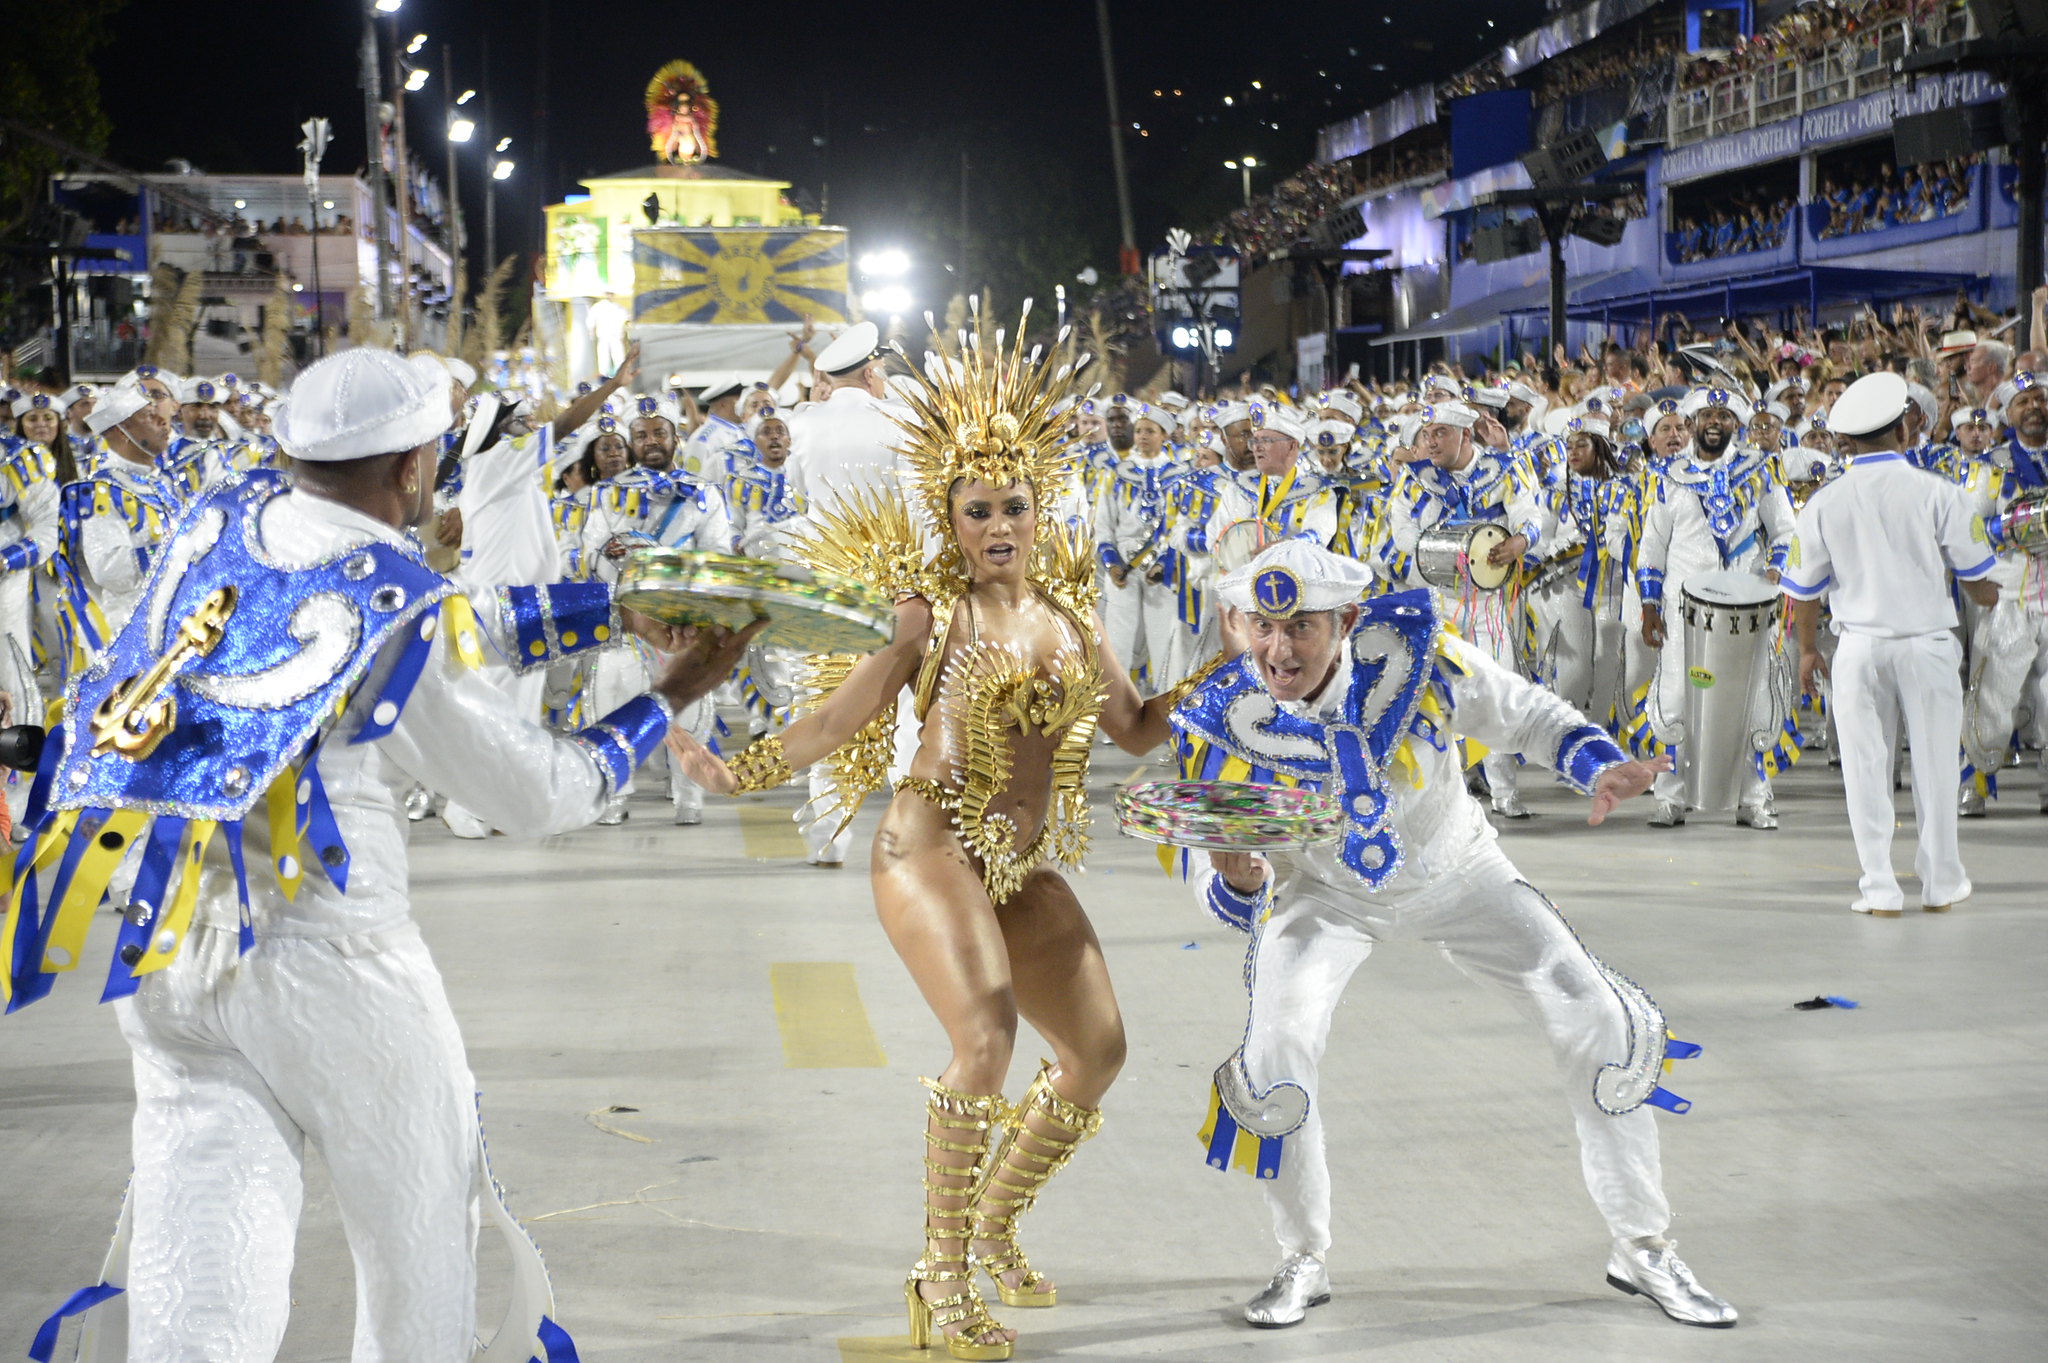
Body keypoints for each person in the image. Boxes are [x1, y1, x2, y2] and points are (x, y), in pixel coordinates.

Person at [9, 346, 755, 1359]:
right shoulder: (393, 591)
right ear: (416, 466)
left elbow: (444, 616)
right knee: (417, 1258)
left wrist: (607, 612)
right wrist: (664, 700)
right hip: (336, 969)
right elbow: (535, 789)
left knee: (199, 1282)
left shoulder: (217, 520)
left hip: (169, 962)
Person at [669, 323, 1188, 1360]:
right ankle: (938, 1277)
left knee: (1095, 1051)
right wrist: (744, 772)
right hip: (926, 845)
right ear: (947, 520)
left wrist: (1237, 672)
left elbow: (1134, 729)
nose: (997, 525)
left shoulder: (1076, 621)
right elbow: (844, 716)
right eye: (976, 509)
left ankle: (992, 1221)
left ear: (1040, 511)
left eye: (1013, 507)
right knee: (985, 1038)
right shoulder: (930, 616)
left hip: (1018, 864)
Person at [1164, 537, 1735, 1332]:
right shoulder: (1222, 717)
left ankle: (1642, 1244)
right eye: (1261, 624)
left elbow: (1523, 711)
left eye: (1301, 626)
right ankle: (1302, 1255)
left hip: (1461, 871)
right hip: (1325, 896)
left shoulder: (1417, 656)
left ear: (1348, 620)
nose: (1278, 647)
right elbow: (1210, 869)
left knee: (1599, 1015)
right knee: (1275, 1052)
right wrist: (1238, 879)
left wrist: (1595, 764)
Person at [1781, 373, 1999, 916]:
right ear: (1905, 428)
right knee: (1934, 767)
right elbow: (1980, 588)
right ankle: (1941, 884)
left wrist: (1808, 650)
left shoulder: (1823, 503)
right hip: (1925, 646)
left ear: (1848, 442)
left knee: (1864, 769)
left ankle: (1879, 888)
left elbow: (1804, 592)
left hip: (1856, 649)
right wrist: (2005, 575)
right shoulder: (1940, 493)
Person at [780, 321, 916, 866]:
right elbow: (918, 506)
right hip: (890, 581)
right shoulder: (900, 421)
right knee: (906, 700)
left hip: (827, 580)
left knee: (827, 700)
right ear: (870, 371)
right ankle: (912, 831)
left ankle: (828, 837)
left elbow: (794, 490)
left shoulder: (804, 423)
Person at [1635, 386, 1796, 828]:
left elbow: (1785, 532)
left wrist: (1773, 575)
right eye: (1706, 415)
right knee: (1677, 699)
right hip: (1682, 610)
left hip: (1749, 610)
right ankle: (1670, 796)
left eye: (1724, 416)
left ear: (1735, 424)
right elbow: (1652, 546)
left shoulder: (1760, 469)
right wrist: (1649, 606)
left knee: (1752, 699)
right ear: (1691, 423)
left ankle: (1754, 797)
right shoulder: (1668, 476)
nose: (1714, 422)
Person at [1383, 400, 1546, 817]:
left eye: (1440, 434)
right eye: (1425, 435)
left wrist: (1519, 543)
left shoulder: (1506, 468)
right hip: (1439, 599)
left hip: (1488, 603)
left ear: (1466, 435)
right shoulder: (1415, 479)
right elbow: (1400, 528)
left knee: (1495, 689)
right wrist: (1431, 550)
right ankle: (1448, 792)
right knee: (1438, 694)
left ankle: (1505, 792)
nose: (1430, 442)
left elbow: (1532, 514)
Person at [1958, 371, 2048, 814]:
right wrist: (2016, 526)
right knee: (1993, 692)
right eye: (2023, 401)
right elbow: (1969, 529)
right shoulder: (1990, 464)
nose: (2034, 407)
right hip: (2008, 592)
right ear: (2008, 414)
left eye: (2040, 398)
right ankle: (1974, 779)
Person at [1094, 401, 1182, 693]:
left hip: (1161, 569)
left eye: (1150, 431)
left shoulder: (1179, 475)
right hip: (1124, 568)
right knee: (1118, 642)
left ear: (1164, 435)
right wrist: (1111, 562)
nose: (1143, 436)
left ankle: (1165, 715)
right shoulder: (1114, 472)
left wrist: (1165, 562)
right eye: (1140, 430)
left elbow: (1182, 522)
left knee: (1164, 641)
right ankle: (1118, 719)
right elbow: (1103, 522)